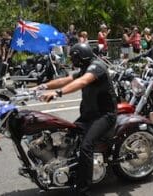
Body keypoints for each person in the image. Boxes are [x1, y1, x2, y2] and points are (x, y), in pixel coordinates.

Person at [32, 43, 117, 196]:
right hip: (88, 115)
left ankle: (83, 190)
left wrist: (57, 93)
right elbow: (66, 80)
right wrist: (42, 87)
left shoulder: (97, 66)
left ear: (80, 57)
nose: (72, 60)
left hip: (104, 115)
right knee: (66, 137)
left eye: (74, 57)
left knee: (86, 147)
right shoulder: (84, 69)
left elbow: (82, 82)